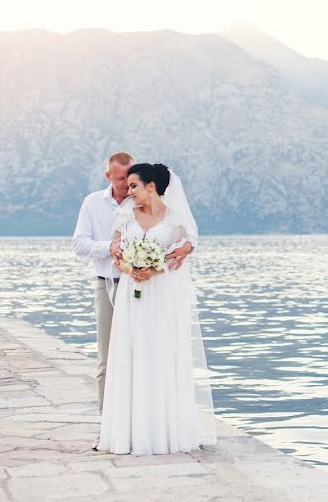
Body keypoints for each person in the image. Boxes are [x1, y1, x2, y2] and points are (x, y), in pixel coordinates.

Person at [96, 163, 215, 454]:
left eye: (134, 186)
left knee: (161, 353)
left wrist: (154, 269)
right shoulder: (125, 215)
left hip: (161, 294)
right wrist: (131, 268)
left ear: (151, 187)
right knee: (131, 353)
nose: (129, 191)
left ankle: (163, 430)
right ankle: (128, 431)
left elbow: (180, 255)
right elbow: (116, 254)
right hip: (131, 291)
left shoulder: (175, 220)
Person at [72, 152, 193, 413]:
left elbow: (185, 238)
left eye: (132, 182)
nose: (127, 188)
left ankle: (145, 414)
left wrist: (165, 259)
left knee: (146, 353)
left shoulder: (152, 208)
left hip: (148, 288)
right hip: (109, 283)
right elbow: (79, 244)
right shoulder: (94, 204)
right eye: (121, 181)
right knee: (109, 357)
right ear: (108, 176)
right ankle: (109, 420)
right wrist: (112, 248)